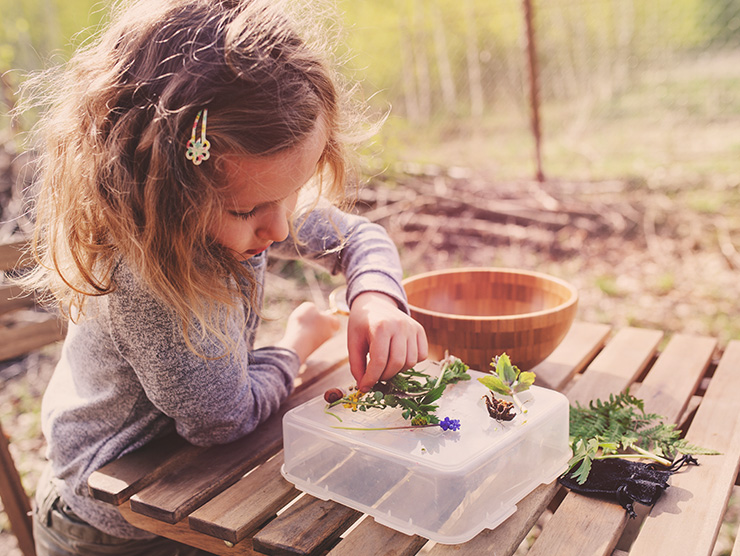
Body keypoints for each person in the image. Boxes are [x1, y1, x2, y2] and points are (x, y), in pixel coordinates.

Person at [20, 0, 428, 554]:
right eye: (249, 212)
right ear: (165, 192)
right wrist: (297, 344)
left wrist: (376, 297)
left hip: (188, 486)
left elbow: (359, 237)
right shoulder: (149, 284)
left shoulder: (241, 192)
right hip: (113, 524)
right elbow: (223, 420)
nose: (281, 228)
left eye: (289, 195)